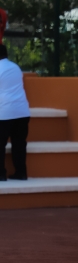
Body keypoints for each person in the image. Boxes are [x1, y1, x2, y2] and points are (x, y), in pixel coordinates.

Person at [0, 44, 30, 181]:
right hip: (22, 111)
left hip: (4, 112)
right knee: (19, 143)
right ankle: (21, 172)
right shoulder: (16, 68)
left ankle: (1, 174)